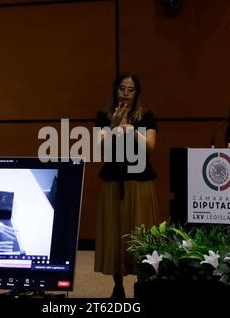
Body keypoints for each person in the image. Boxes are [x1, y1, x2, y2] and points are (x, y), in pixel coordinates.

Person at [94, 72, 158, 298]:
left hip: (139, 182)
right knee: (115, 231)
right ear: (115, 90)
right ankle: (118, 286)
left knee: (140, 233)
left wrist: (132, 131)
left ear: (137, 92)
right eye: (122, 88)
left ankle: (143, 283)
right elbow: (97, 146)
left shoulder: (146, 115)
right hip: (114, 182)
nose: (126, 93)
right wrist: (113, 125)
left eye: (131, 89)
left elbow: (150, 147)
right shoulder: (103, 115)